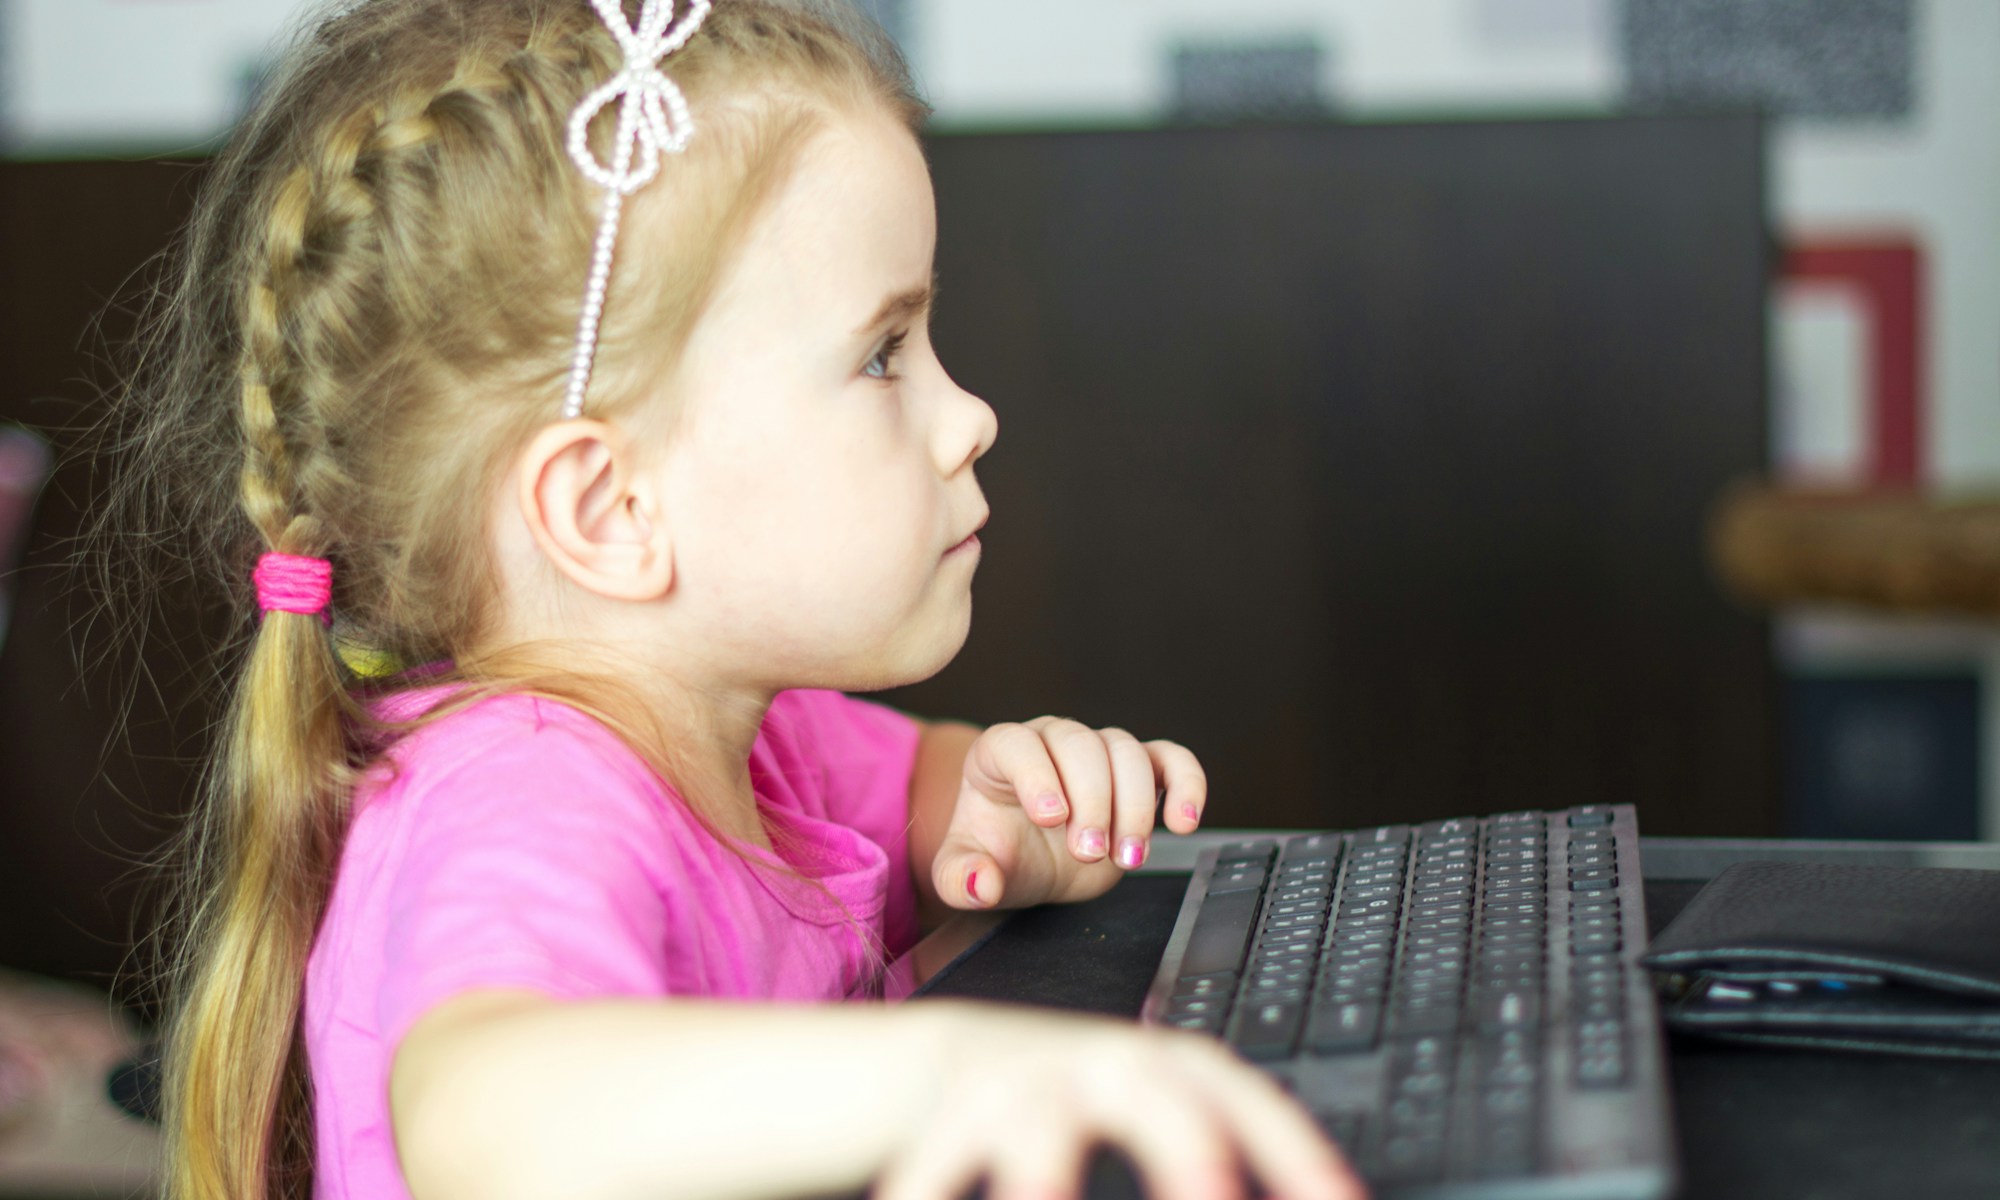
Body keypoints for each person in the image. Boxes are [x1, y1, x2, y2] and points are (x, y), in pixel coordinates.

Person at [101, 1, 1369, 1198]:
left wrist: (1005, 809)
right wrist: (960, 1065)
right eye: (881, 356)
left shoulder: (750, 731)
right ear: (609, 512)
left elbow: (922, 797)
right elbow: (493, 1118)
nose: (968, 415)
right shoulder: (524, 795)